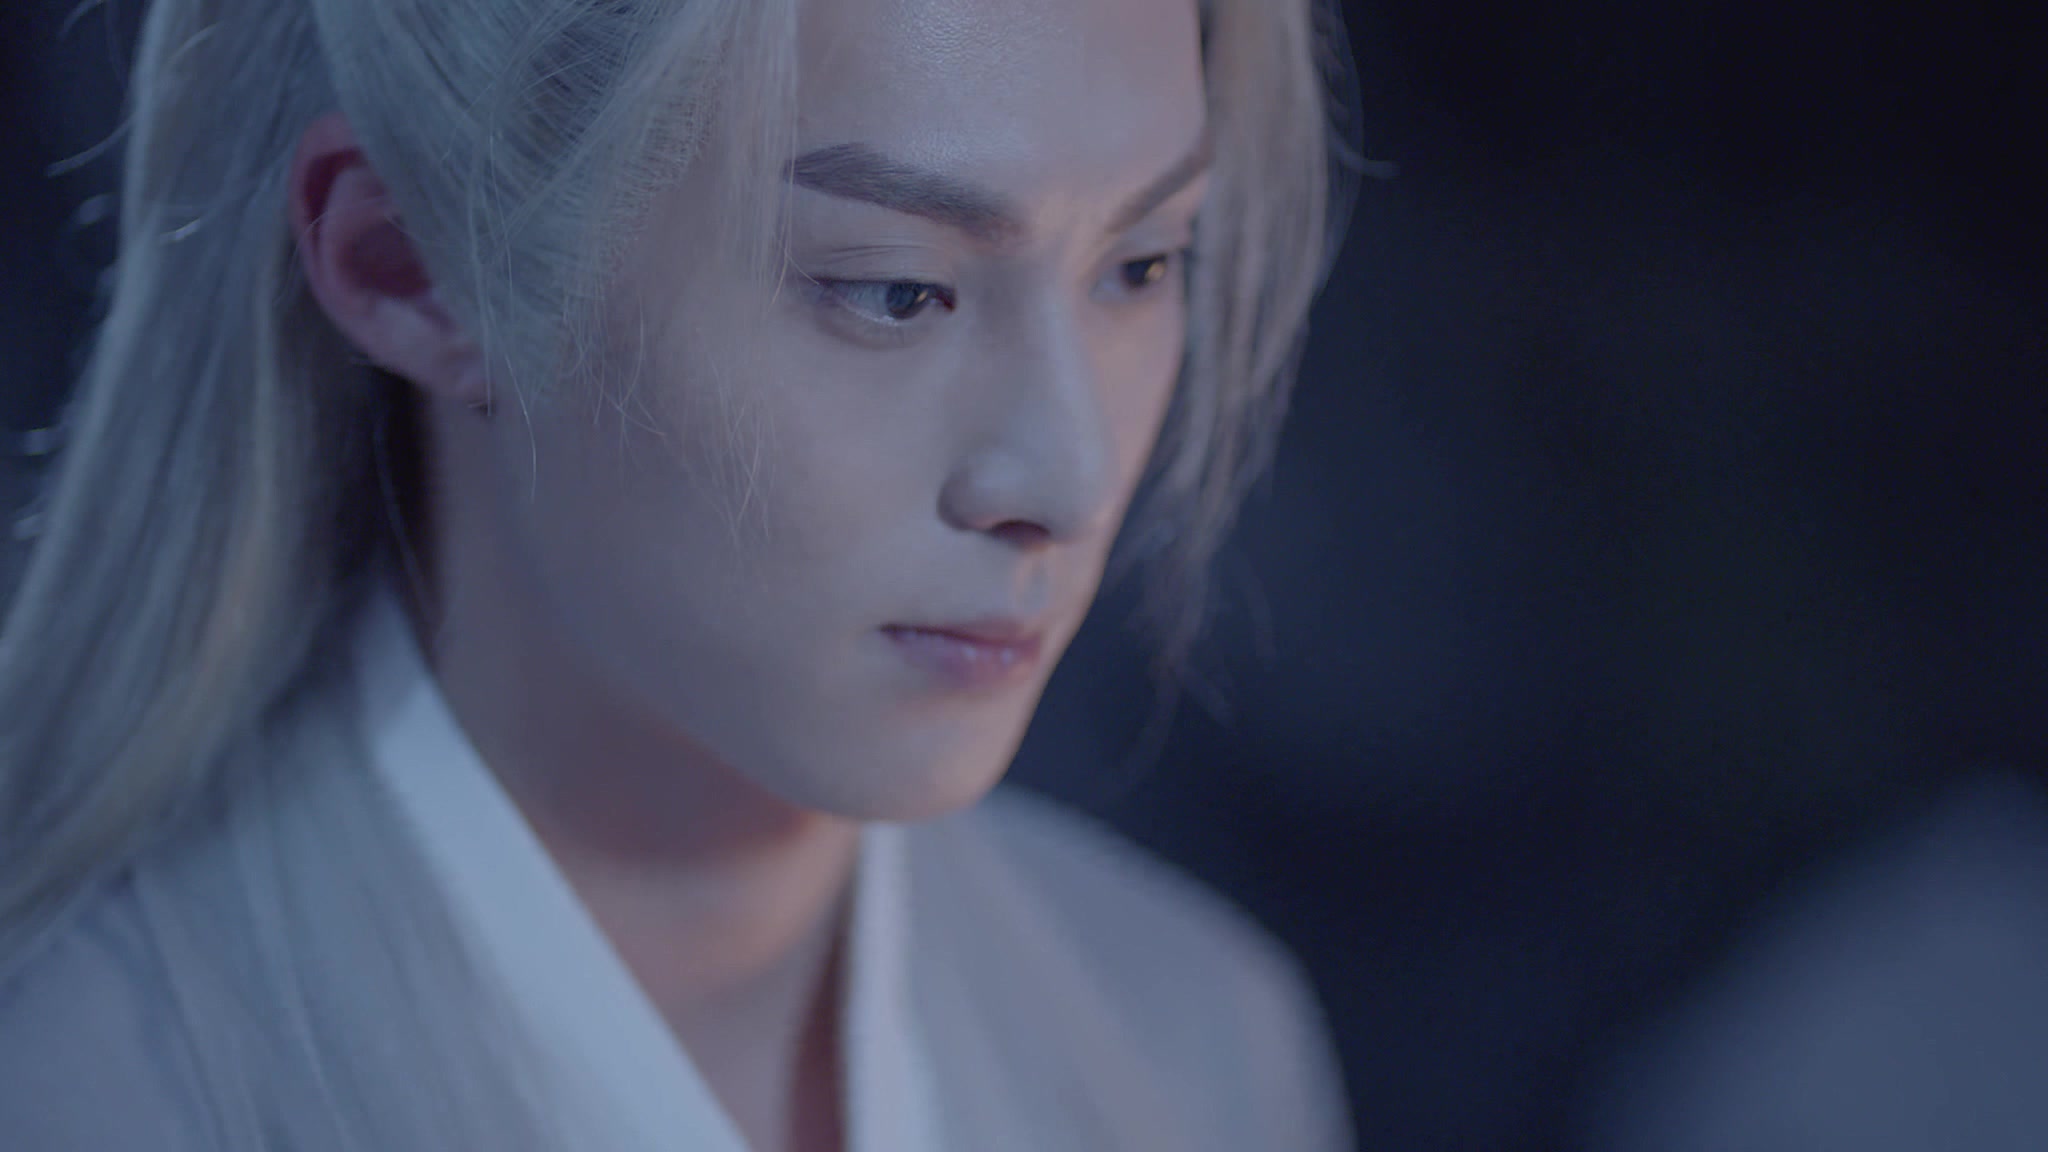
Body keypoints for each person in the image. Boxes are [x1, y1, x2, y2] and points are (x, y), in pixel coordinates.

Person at [0, 0, 1354, 1148]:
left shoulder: (1198, 1048)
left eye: (1141, 264)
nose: (1068, 478)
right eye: (893, 289)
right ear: (411, 263)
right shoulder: (83, 1092)